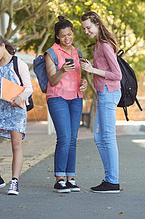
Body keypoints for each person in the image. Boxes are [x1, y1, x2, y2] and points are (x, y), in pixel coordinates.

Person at [0, 33, 33, 195]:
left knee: (16, 145)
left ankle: (14, 181)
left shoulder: (19, 64)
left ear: (3, 46)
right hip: (0, 110)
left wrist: (19, 97)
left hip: (17, 109)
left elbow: (29, 88)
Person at [80, 11, 122, 193]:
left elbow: (117, 75)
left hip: (109, 92)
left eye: (88, 27)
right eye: (83, 28)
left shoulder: (104, 45)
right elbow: (103, 68)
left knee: (108, 137)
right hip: (102, 93)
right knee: (98, 137)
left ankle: (112, 181)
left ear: (97, 23)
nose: (86, 31)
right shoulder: (98, 44)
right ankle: (109, 178)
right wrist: (92, 66)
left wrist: (92, 70)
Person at [45, 16, 88, 193]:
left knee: (73, 139)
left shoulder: (77, 52)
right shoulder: (51, 53)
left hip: (76, 97)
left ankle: (71, 178)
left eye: (69, 34)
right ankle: (59, 179)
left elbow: (79, 76)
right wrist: (62, 70)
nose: (67, 38)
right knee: (64, 137)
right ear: (57, 37)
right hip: (57, 97)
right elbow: (53, 81)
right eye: (63, 36)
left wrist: (83, 83)